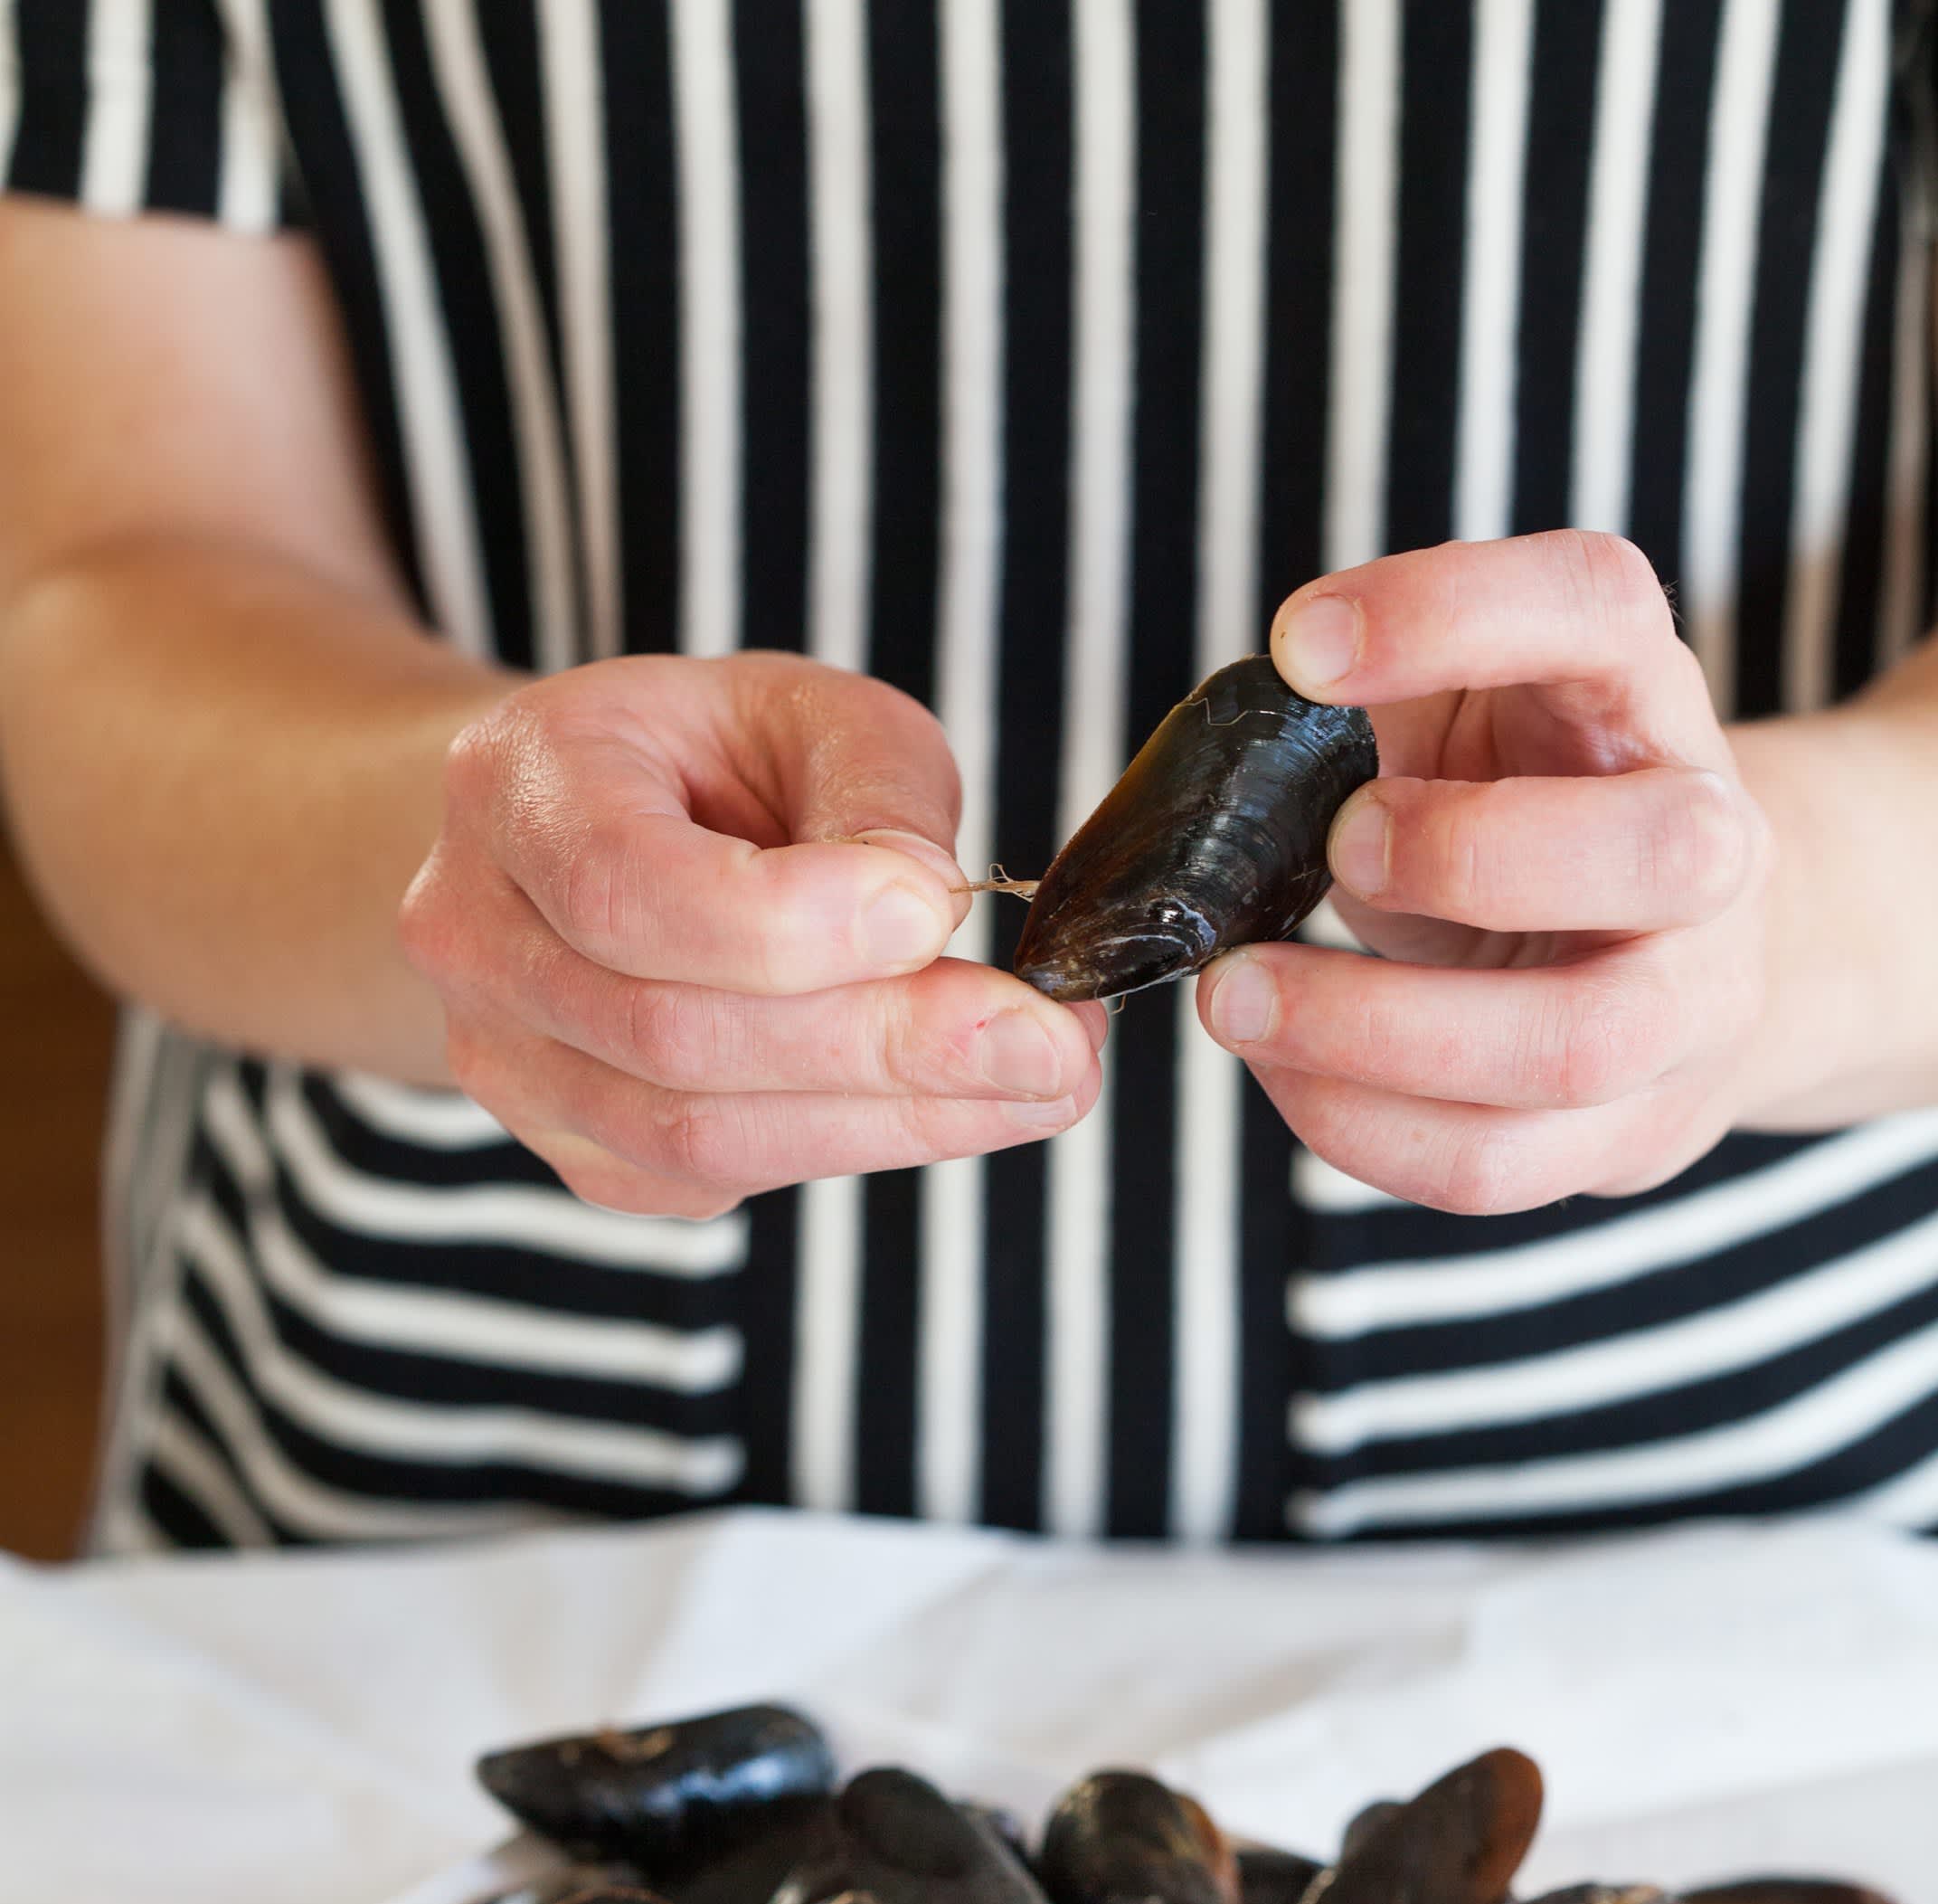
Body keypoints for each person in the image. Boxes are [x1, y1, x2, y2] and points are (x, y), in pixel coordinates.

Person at [2, 0, 1935, 1556]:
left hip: (1695, 1562)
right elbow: (107, 580)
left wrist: (1775, 926)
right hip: (457, 1527)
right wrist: (493, 851)